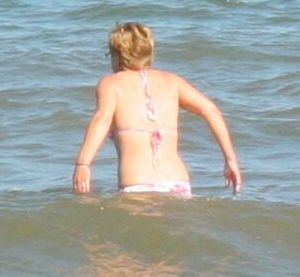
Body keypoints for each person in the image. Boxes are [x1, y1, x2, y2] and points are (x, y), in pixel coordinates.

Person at [70, 21, 241, 195]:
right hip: (178, 183)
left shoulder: (111, 83)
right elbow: (211, 110)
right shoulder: (172, 81)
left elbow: (103, 118)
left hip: (137, 184)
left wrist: (83, 163)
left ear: (117, 55)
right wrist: (230, 159)